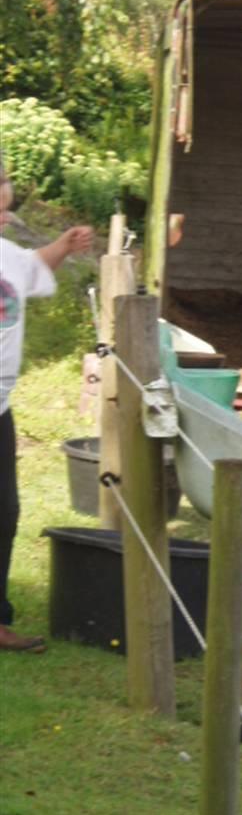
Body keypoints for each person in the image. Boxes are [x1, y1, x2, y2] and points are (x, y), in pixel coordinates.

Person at [0, 163, 94, 652]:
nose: (5, 216)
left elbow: (35, 268)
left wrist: (64, 245)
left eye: (6, 206)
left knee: (4, 511)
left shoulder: (9, 256)